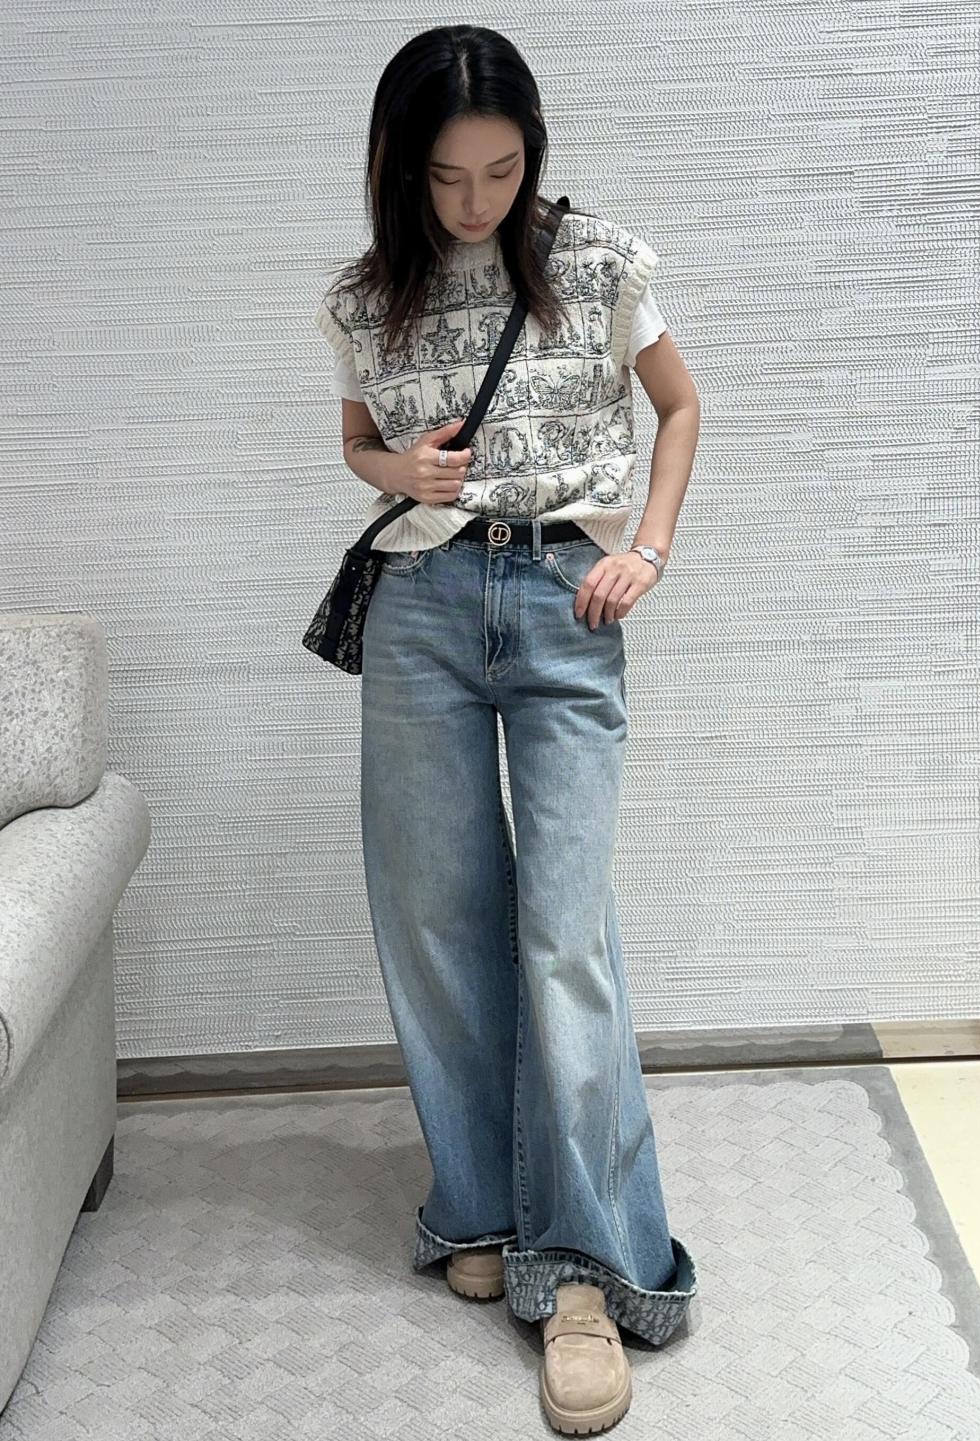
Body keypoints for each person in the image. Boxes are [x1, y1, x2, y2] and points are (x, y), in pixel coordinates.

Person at [313, 24, 701, 1434]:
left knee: (564, 932)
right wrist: (396, 467)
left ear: (533, 153)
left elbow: (679, 406)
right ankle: (479, 1201)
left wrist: (646, 547)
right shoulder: (368, 295)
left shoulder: (598, 262)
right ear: (398, 168)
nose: (476, 201)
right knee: (435, 917)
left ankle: (588, 1268)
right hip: (420, 607)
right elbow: (357, 441)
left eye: (501, 170)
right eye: (447, 177)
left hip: (562, 602)